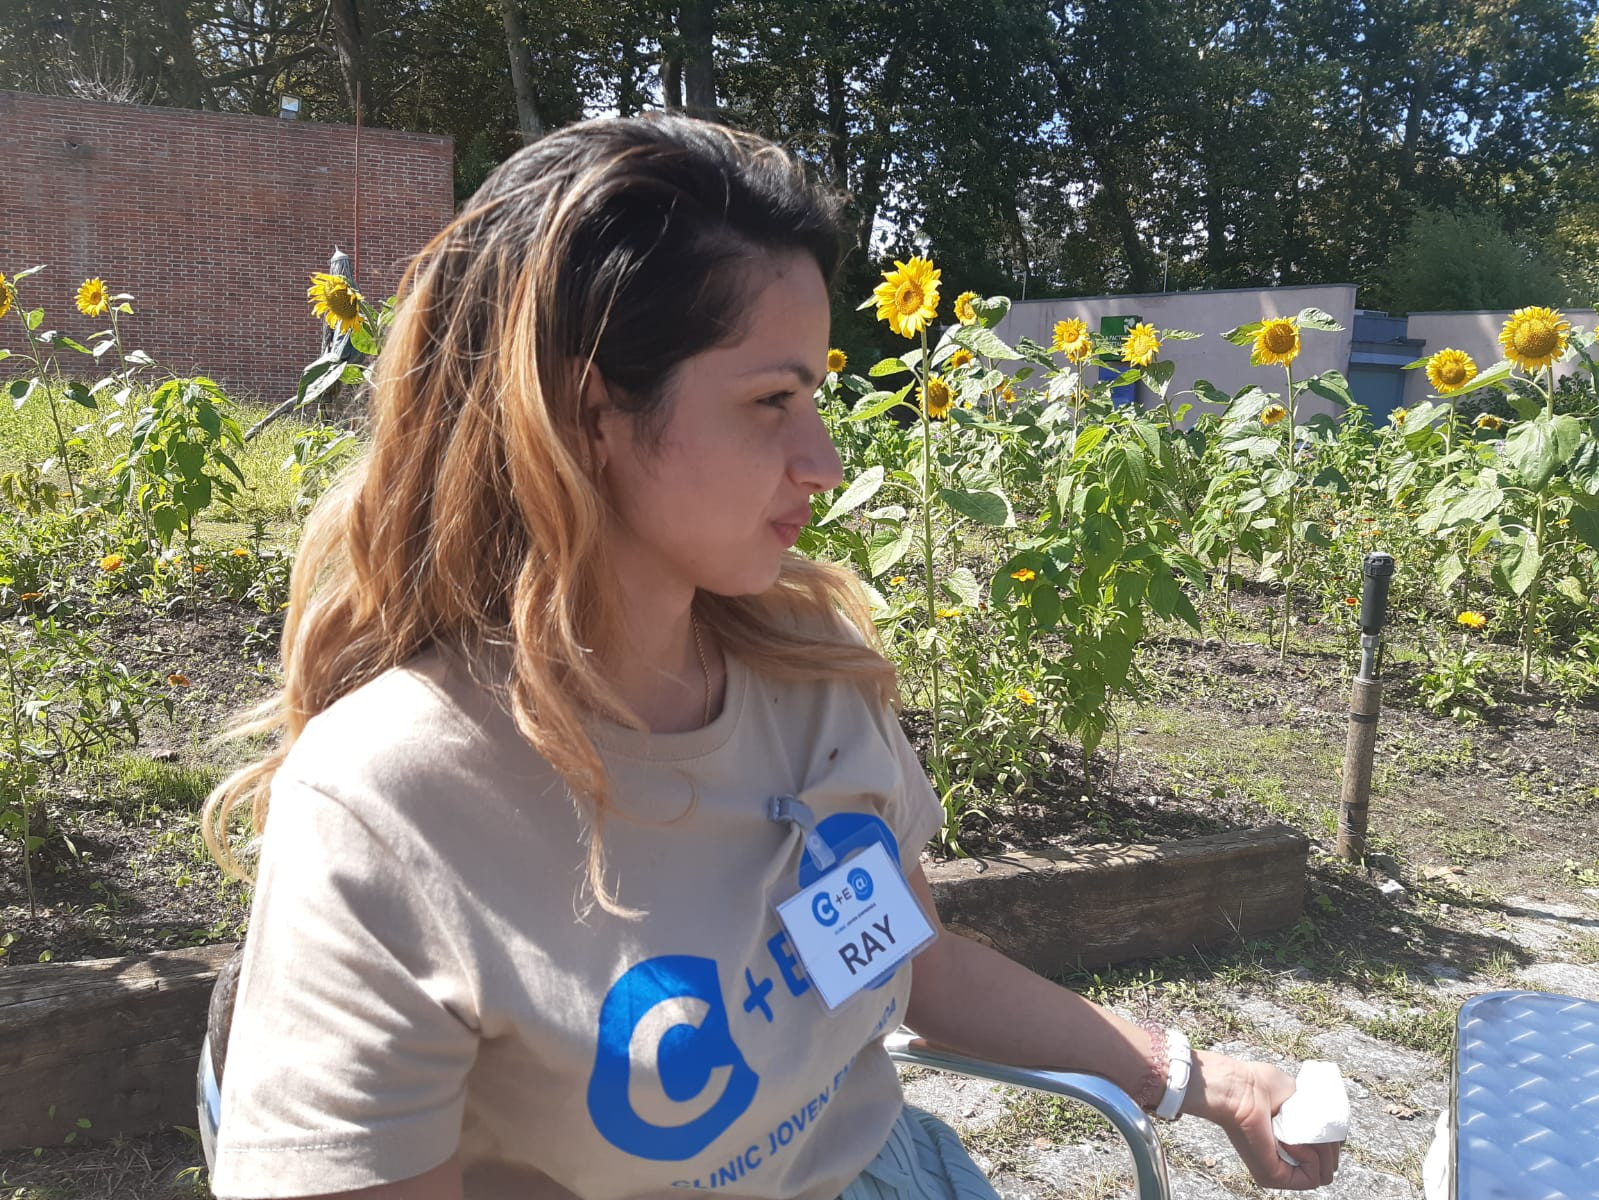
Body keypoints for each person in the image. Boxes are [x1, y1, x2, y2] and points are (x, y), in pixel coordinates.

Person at [201, 114, 1343, 1200]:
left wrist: (1206, 1081)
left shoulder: (807, 680)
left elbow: (914, 967)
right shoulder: (391, 807)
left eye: (819, 396)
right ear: (588, 410)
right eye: (770, 400)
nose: (825, 459)